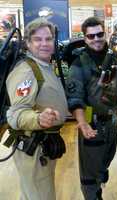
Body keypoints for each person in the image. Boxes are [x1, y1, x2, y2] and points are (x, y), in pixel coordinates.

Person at [6, 18, 69, 200]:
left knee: (34, 194)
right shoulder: (26, 71)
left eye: (48, 39)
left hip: (44, 145)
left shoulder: (44, 66)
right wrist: (38, 119)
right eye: (38, 39)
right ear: (27, 43)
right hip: (33, 148)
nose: (44, 44)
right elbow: (15, 114)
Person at [66, 17, 117, 200]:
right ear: (85, 38)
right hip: (92, 125)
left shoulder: (114, 58)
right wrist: (82, 123)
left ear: (105, 33)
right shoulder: (79, 64)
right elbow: (75, 98)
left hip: (112, 123)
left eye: (100, 34)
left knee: (104, 162)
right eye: (91, 36)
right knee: (89, 175)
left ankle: (100, 179)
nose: (96, 39)